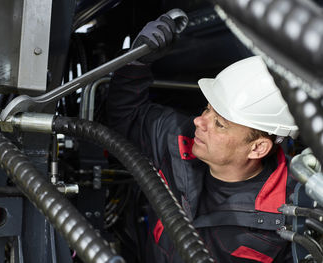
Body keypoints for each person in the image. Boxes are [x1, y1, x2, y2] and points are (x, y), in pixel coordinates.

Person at [106, 13, 299, 263]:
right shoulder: (179, 137)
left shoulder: (291, 214)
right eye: (207, 108)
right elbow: (126, 117)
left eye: (219, 123)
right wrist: (137, 62)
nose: (199, 121)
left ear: (257, 148)